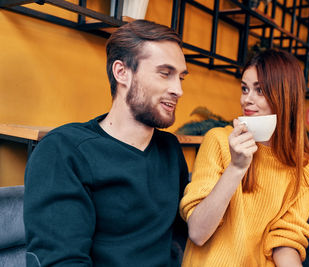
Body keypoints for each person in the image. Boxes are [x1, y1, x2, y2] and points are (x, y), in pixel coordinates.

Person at [24, 20, 189, 267]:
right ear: (121, 72)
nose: (178, 90)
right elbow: (62, 261)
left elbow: (183, 240)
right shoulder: (65, 151)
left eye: (181, 77)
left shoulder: (170, 150)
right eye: (165, 73)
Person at [179, 49, 309, 267]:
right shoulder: (218, 140)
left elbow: (285, 241)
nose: (247, 99)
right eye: (245, 89)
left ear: (286, 97)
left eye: (260, 90)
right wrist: (236, 167)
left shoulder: (305, 167)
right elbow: (197, 232)